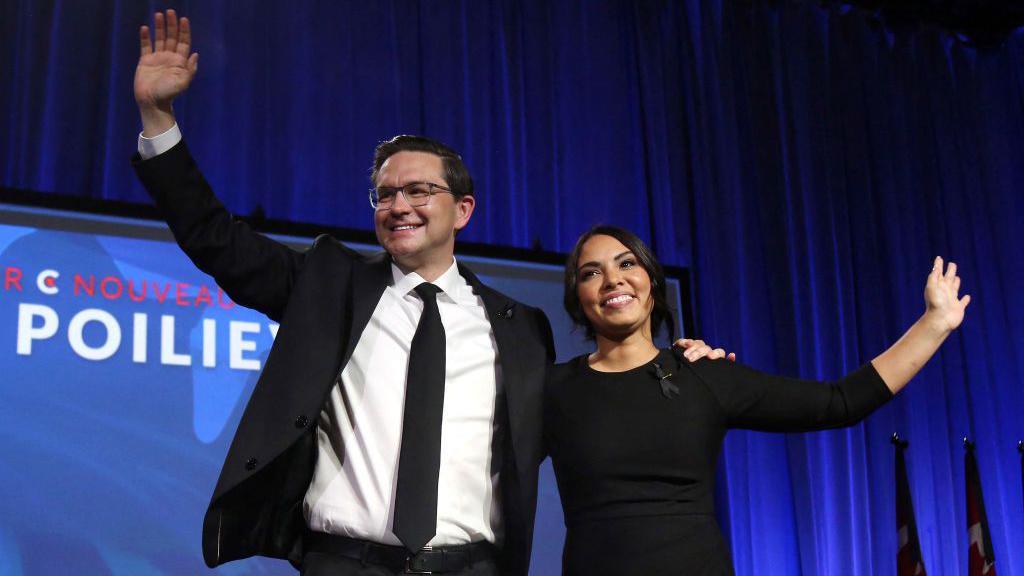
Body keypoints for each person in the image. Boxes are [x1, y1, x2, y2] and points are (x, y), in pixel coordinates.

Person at [131, 11, 726, 575]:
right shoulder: (328, 284)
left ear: (462, 209)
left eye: (419, 190)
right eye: (384, 194)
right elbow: (215, 238)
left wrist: (674, 368)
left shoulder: (520, 328)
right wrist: (158, 120)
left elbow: (591, 407)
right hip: (343, 563)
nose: (398, 206)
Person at [544, 225, 970, 576]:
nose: (612, 280)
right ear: (577, 300)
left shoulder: (702, 374)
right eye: (590, 273)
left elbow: (839, 402)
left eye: (627, 263)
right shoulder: (556, 389)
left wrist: (934, 325)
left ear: (651, 282)